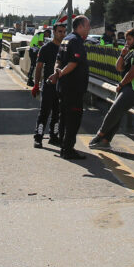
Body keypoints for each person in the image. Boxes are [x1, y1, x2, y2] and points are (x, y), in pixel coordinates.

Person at [89, 29, 134, 149]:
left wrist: (120, 84)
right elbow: (119, 68)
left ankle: (100, 134)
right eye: (126, 40)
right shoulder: (133, 52)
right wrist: (122, 54)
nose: (127, 43)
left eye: (129, 40)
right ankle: (105, 141)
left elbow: (132, 72)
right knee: (117, 113)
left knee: (115, 110)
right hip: (131, 86)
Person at [49, 15, 91, 160]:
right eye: (87, 26)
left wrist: (57, 71)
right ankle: (68, 149)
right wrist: (60, 73)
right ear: (80, 27)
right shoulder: (76, 41)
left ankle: (63, 146)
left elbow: (58, 60)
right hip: (73, 88)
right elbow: (73, 62)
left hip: (64, 87)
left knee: (64, 118)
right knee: (73, 119)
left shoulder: (66, 39)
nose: (89, 28)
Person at [30, 22, 67, 148]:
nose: (62, 34)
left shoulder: (65, 49)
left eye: (64, 32)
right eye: (59, 32)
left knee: (57, 113)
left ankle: (54, 136)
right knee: (44, 112)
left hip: (61, 86)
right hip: (48, 85)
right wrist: (36, 85)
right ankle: (38, 137)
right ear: (54, 33)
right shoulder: (45, 48)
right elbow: (39, 68)